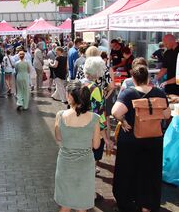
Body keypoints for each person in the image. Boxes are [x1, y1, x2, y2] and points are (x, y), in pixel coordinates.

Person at [112, 65, 171, 212]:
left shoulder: (128, 93)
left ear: (134, 79)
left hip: (132, 141)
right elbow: (166, 115)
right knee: (150, 173)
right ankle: (147, 205)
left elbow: (116, 112)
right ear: (148, 78)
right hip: (154, 140)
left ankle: (128, 202)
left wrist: (123, 121)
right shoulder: (159, 93)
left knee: (128, 171)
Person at [54, 82, 101, 212]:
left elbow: (58, 137)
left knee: (65, 205)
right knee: (82, 205)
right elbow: (96, 145)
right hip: (85, 164)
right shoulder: (95, 118)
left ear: (70, 96)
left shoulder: (60, 115)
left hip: (65, 163)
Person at [81, 57, 111, 170]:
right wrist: (106, 138)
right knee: (92, 160)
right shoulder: (96, 89)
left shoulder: (77, 85)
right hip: (92, 130)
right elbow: (99, 114)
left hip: (78, 127)